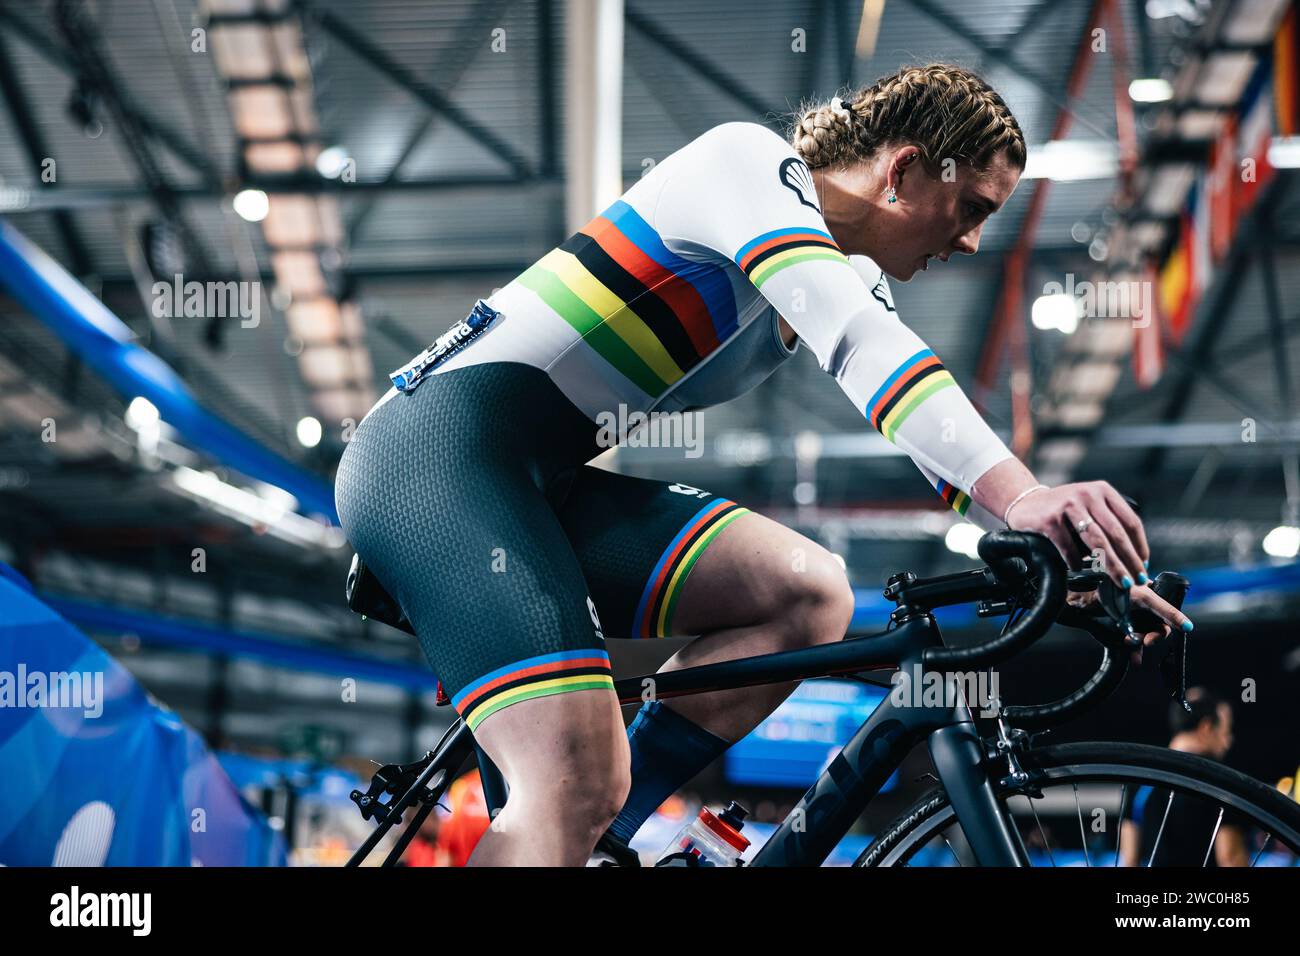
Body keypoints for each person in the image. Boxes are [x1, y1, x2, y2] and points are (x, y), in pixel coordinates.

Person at [334, 63, 1193, 866]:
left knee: (809, 594)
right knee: (573, 775)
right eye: (971, 206)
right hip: (429, 460)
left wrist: (1063, 562)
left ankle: (600, 835)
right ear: (902, 171)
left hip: (534, 487)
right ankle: (581, 800)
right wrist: (1030, 495)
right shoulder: (748, 164)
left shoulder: (845, 272)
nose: (971, 242)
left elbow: (924, 439)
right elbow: (864, 346)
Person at [1119, 688, 1251, 867]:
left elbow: (1129, 859)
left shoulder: (1142, 777)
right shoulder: (1222, 781)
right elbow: (1230, 858)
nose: (1228, 741)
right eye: (1225, 730)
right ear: (1206, 727)